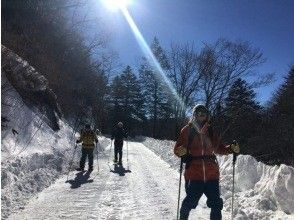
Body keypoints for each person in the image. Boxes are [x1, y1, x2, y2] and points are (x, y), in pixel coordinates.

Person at [174, 104, 240, 220]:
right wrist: (181, 151)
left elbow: (219, 148)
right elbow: (177, 149)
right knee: (189, 202)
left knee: (216, 204)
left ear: (207, 116)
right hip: (194, 174)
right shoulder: (187, 130)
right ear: (194, 115)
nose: (201, 115)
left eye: (203, 113)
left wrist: (231, 149)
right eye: (198, 113)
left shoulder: (210, 131)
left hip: (211, 175)